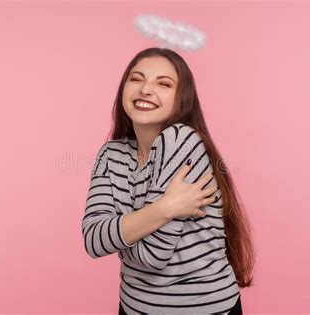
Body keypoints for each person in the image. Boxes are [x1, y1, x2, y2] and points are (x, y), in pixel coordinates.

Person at [82, 47, 255, 314]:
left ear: (181, 99)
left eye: (163, 83)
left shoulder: (182, 140)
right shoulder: (111, 153)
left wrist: (120, 232)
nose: (145, 89)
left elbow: (151, 257)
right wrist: (167, 207)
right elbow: (93, 240)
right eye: (137, 79)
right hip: (134, 308)